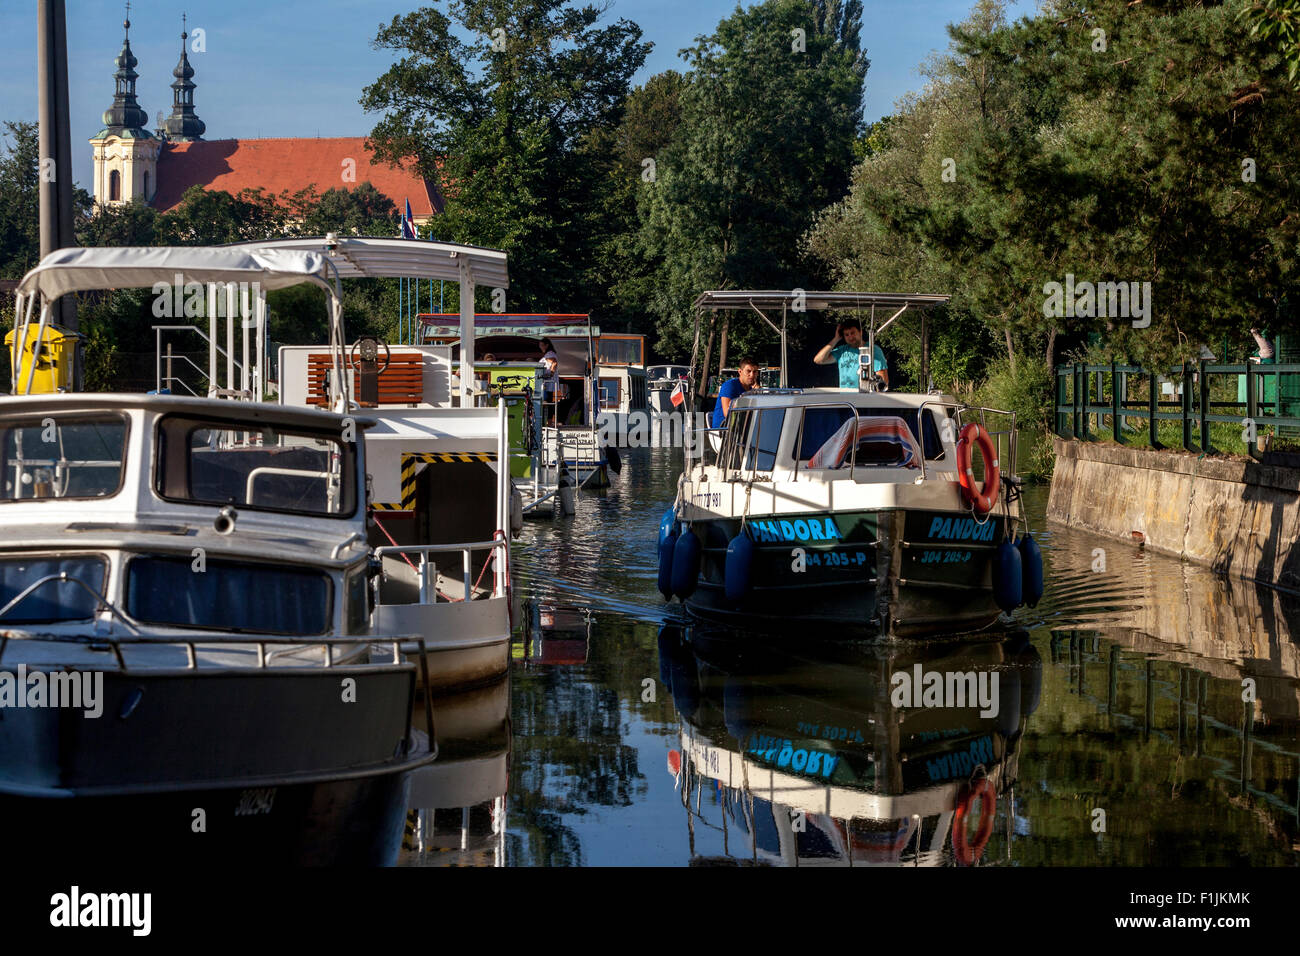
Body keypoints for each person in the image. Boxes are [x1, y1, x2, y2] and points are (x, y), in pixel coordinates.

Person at [814, 318, 888, 389]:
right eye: (846, 335)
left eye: (852, 333)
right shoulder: (842, 350)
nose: (850, 337)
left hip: (864, 397)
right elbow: (818, 360)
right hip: (844, 398)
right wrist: (836, 339)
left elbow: (883, 380)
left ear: (860, 332)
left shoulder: (872, 349)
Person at [711, 357, 760, 428]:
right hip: (723, 430)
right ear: (740, 372)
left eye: (755, 372)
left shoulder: (752, 390)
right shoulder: (730, 385)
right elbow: (727, 413)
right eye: (748, 371)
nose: (752, 375)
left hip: (741, 427)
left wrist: (759, 395)